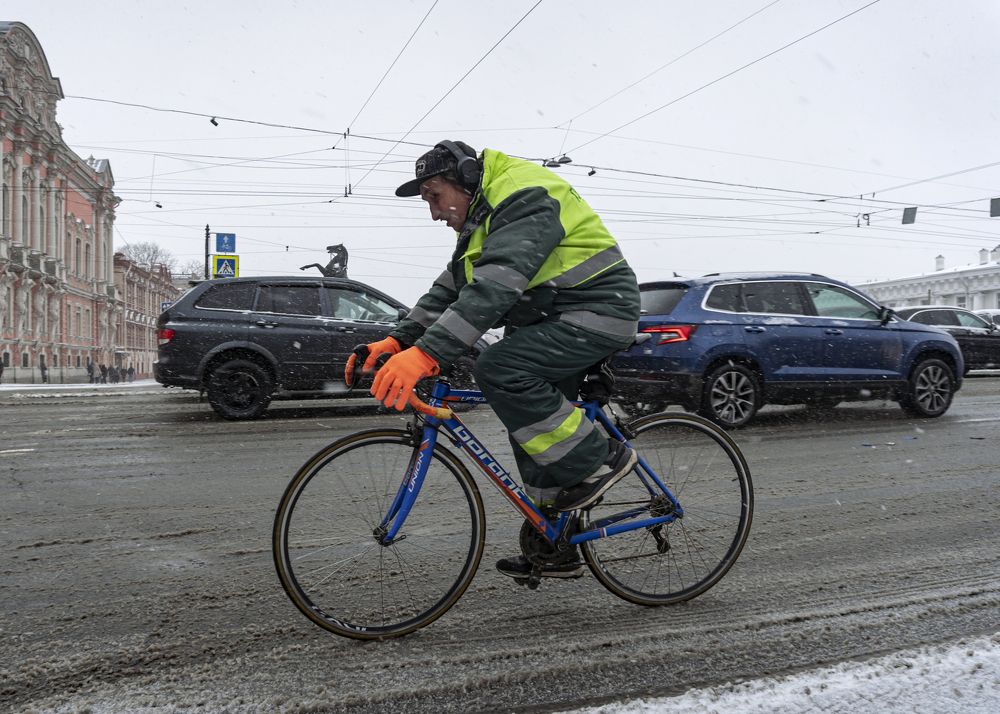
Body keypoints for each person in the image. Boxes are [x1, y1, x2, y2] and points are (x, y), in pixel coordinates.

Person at [348, 140, 640, 580]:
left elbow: (495, 289)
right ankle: (554, 542)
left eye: (434, 197)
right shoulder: (482, 220)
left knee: (499, 368)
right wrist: (398, 340)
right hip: (551, 318)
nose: (433, 212)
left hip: (598, 312)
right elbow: (451, 289)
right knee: (531, 425)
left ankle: (600, 460)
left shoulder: (523, 195)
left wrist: (426, 356)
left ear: (466, 178)